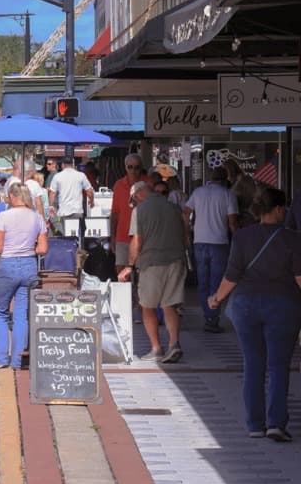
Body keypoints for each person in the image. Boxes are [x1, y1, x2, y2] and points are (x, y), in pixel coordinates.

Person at [207, 187, 301, 442]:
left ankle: (255, 425)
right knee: (279, 367)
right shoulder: (292, 239)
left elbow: (232, 274)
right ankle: (276, 424)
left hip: (246, 307)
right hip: (284, 307)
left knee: (253, 364)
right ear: (280, 209)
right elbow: (299, 278)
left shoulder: (243, 237)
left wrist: (216, 299)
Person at [118, 181, 188, 362]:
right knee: (169, 304)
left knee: (147, 306)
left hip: (151, 263)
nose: (134, 203)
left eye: (133, 199)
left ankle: (156, 348)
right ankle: (174, 344)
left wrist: (130, 266)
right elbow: (185, 234)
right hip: (176, 260)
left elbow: (136, 241)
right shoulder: (173, 208)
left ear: (139, 194)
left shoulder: (139, 211)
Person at [0, 182, 47, 370]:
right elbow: (43, 248)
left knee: (0, 311)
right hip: (29, 264)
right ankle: (16, 359)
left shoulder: (4, 216)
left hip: (8, 264)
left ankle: (0, 358)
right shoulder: (37, 217)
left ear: (13, 197)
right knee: (21, 315)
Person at [185, 166, 240, 333]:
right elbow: (232, 223)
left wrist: (187, 231)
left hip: (199, 241)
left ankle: (208, 316)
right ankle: (212, 319)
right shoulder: (228, 194)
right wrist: (240, 241)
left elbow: (185, 211)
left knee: (203, 282)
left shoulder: (199, 192)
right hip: (219, 243)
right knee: (216, 283)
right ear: (225, 180)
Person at [110, 154, 146, 277]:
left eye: (136, 167)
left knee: (143, 274)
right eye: (130, 167)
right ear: (125, 168)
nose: (133, 171)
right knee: (121, 274)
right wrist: (113, 237)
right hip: (122, 237)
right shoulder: (118, 185)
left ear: (141, 168)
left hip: (144, 238)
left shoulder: (148, 183)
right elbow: (114, 213)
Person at [49, 157, 93, 235]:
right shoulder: (81, 175)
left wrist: (51, 206)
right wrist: (91, 201)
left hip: (64, 211)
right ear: (72, 164)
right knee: (79, 233)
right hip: (77, 210)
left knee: (67, 234)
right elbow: (89, 191)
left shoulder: (58, 176)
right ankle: (79, 245)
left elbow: (52, 193)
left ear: (62, 165)